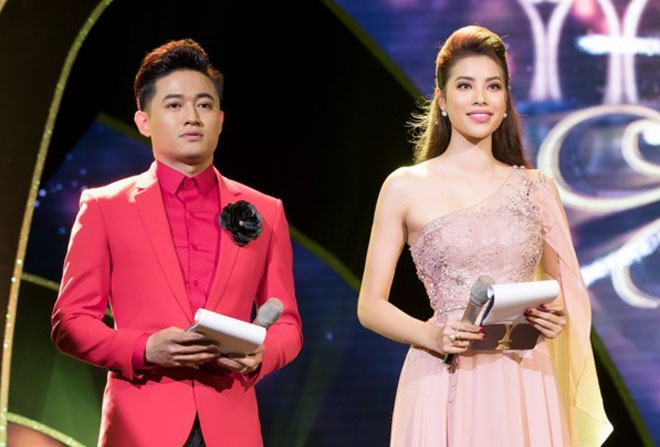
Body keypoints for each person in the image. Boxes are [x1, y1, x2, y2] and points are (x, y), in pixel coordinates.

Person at [357, 26, 612, 446]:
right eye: (465, 86)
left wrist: (555, 316)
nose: (480, 98)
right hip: (445, 371)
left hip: (525, 376)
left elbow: (562, 291)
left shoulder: (537, 188)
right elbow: (370, 306)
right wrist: (431, 335)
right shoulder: (404, 187)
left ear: (505, 100)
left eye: (493, 86)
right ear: (441, 100)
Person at [51, 39, 303, 447]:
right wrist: (144, 348)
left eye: (204, 105)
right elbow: (70, 322)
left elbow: (288, 324)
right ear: (143, 121)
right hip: (141, 426)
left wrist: (262, 354)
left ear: (220, 119)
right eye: (174, 105)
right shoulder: (104, 207)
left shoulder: (266, 210)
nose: (192, 117)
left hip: (231, 425)